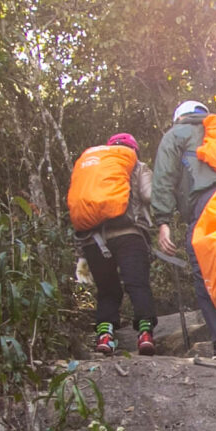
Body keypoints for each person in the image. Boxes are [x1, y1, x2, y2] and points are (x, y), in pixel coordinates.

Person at [156, 99, 216, 359]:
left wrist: (163, 221)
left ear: (179, 117)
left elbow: (164, 177)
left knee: (205, 274)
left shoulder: (177, 134)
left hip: (206, 206)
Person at [70, 132, 163, 356]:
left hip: (92, 239)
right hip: (128, 233)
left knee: (107, 290)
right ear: (134, 150)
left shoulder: (91, 166)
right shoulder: (137, 165)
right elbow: (149, 195)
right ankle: (145, 334)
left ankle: (105, 335)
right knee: (137, 284)